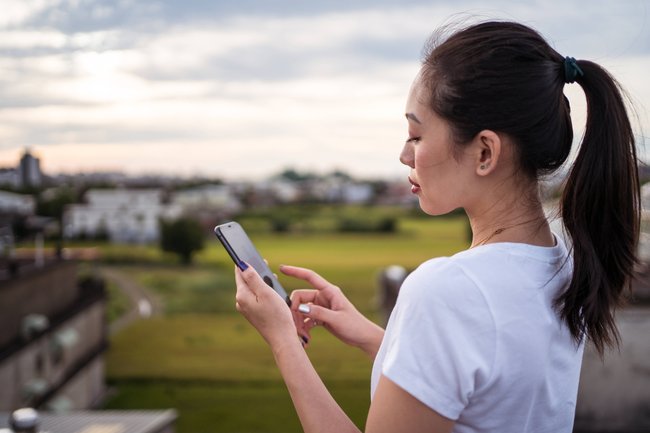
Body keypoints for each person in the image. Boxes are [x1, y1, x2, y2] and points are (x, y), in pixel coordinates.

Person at [233, 20, 640, 433]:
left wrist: (283, 341)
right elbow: (486, 394)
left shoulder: (447, 291)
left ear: (485, 151)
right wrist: (376, 338)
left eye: (416, 135)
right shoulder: (562, 265)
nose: (404, 155)